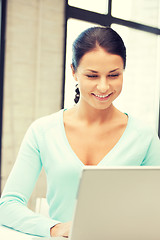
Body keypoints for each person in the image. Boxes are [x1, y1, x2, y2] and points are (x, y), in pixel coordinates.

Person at [0, 26, 160, 238]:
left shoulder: (144, 136)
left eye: (113, 75)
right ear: (74, 71)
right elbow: (7, 205)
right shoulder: (43, 131)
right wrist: (54, 228)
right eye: (92, 76)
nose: (103, 87)